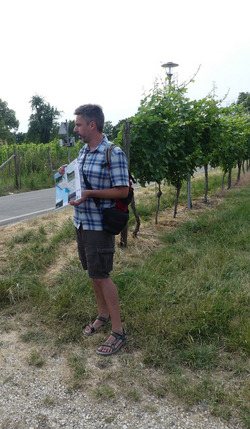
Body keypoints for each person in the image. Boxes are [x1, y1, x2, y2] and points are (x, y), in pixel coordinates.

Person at [58, 104, 129, 356]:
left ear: (92, 125)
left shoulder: (113, 152)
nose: (75, 128)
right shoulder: (84, 151)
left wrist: (89, 193)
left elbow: (123, 190)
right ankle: (103, 314)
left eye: (78, 124)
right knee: (92, 272)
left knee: (102, 274)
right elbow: (78, 176)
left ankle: (118, 331)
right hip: (81, 221)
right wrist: (65, 173)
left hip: (99, 224)